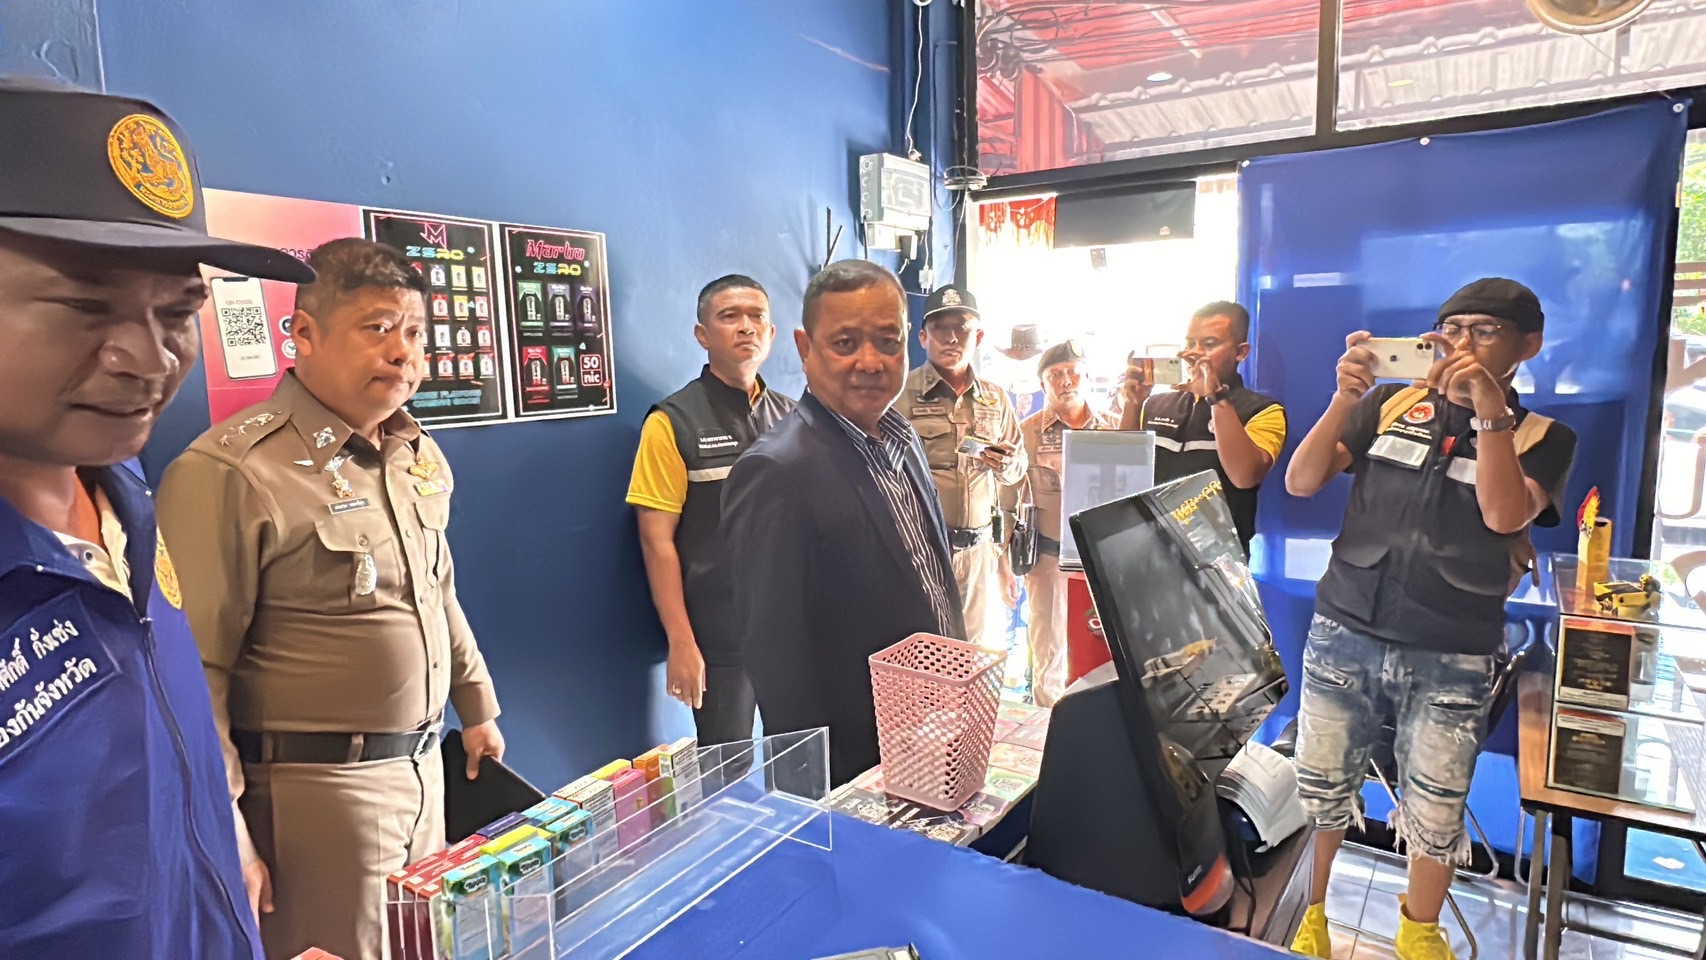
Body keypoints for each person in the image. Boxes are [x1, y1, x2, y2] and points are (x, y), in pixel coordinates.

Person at [0, 77, 314, 959]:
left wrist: (229, 840)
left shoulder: (127, 494)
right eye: (85, 306)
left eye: (178, 312)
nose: (149, 357)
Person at [157, 238, 506, 960]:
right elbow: (191, 674)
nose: (403, 353)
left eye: (415, 333)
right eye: (377, 329)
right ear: (305, 335)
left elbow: (436, 588)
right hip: (314, 798)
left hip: (423, 771)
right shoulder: (231, 471)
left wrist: (477, 707)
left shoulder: (415, 452)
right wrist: (225, 826)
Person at [1284, 279, 1576, 960]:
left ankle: (1418, 932)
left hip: (1452, 646)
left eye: (1485, 330)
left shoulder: (1543, 436)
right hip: (1345, 624)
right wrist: (1343, 398)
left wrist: (1490, 414)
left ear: (1528, 345)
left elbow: (1503, 515)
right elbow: (1301, 480)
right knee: (1321, 784)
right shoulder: (1390, 404)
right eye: (1451, 328)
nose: (1463, 343)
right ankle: (1307, 915)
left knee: (1436, 802)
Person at [722, 259, 964, 785]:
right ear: (805, 348)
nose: (871, 362)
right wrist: (813, 792)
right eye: (845, 343)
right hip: (858, 762)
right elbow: (775, 656)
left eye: (888, 341)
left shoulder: (902, 436)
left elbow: (931, 579)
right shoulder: (777, 470)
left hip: (936, 730)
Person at [627, 275, 795, 745]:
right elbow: (656, 542)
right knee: (727, 765)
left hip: (789, 623)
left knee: (800, 757)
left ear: (771, 333)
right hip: (719, 635)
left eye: (757, 316)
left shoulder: (793, 416)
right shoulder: (671, 422)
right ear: (702, 335)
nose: (746, 327)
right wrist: (681, 641)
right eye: (729, 316)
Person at [900, 285, 1026, 647]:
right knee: (924, 649)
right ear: (923, 337)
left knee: (974, 651)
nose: (952, 337)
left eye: (962, 327)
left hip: (978, 552)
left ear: (979, 337)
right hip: (921, 550)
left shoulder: (995, 398)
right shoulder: (900, 395)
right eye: (940, 327)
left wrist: (1007, 463)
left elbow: (1018, 470)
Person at [1120, 301, 1285, 556]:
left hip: (1218, 559)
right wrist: (1133, 404)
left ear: (1241, 352)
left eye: (1209, 344)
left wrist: (1216, 398)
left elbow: (1244, 476)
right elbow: (1123, 472)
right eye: (1190, 344)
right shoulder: (1154, 404)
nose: (1194, 353)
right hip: (1149, 548)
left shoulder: (1264, 410)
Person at [1012, 340, 1119, 707]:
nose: (1066, 381)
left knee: (1105, 652)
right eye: (1055, 374)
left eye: (1073, 372)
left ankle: (1099, 725)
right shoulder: (1026, 433)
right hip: (1049, 560)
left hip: (1102, 560)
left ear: (1087, 377)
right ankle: (1047, 731)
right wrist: (1004, 565)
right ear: (1043, 384)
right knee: (1049, 655)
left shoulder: (1115, 429)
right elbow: (1010, 500)